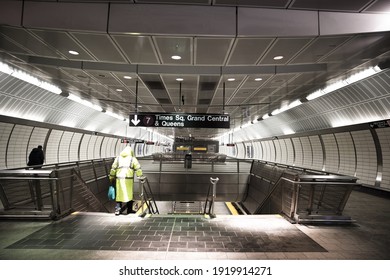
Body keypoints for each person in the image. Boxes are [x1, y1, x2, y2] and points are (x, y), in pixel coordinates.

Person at [109, 146, 142, 215]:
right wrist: (140, 176)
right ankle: (129, 210)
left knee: (119, 195)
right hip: (128, 180)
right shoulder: (133, 159)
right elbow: (138, 168)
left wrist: (111, 177)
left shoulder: (117, 158)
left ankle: (118, 209)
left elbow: (113, 169)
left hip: (119, 180)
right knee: (129, 195)